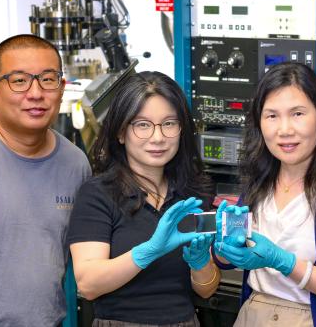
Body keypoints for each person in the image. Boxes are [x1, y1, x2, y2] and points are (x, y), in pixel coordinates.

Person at [214, 62, 316, 327]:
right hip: (253, 313)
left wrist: (283, 261)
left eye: (298, 113)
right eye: (272, 116)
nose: (285, 129)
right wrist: (220, 248)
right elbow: (230, 258)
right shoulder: (259, 181)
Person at [0, 34, 91, 326]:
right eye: (19, 80)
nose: (36, 93)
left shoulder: (75, 163)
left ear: (62, 88)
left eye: (48, 79)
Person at [67, 71, 220, 326]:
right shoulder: (98, 194)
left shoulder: (194, 193)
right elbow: (89, 284)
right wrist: (149, 251)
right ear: (120, 133)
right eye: (142, 125)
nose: (158, 137)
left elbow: (206, 290)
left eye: (169, 123)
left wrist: (201, 262)